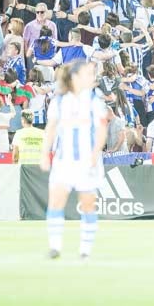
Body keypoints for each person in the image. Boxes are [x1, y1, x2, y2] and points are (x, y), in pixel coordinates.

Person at [40, 61, 110, 259]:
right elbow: (51, 129)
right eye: (88, 73)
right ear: (75, 77)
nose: (92, 77)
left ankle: (85, 250)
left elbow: (101, 131)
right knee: (56, 202)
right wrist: (45, 154)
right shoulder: (59, 101)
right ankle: (55, 247)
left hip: (87, 161)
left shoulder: (95, 101)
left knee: (88, 204)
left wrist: (95, 154)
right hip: (64, 160)